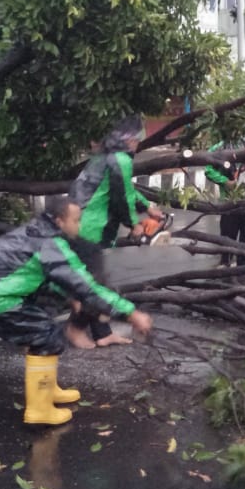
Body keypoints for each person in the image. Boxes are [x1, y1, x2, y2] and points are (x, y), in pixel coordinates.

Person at [0, 196, 153, 425]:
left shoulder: (35, 232)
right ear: (59, 221)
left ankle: (46, 389)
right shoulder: (49, 244)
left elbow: (37, 273)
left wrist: (69, 295)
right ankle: (39, 411)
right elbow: (86, 285)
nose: (79, 226)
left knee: (44, 331)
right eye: (76, 220)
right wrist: (131, 313)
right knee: (45, 337)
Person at [69, 114, 162, 345]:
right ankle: (73, 330)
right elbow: (121, 197)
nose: (139, 143)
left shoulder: (105, 157)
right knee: (93, 283)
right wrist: (134, 224)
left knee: (93, 280)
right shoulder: (120, 159)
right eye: (138, 138)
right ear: (130, 139)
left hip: (77, 223)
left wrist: (148, 207)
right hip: (87, 228)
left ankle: (102, 333)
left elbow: (126, 190)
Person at [204, 124, 245, 267]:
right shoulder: (220, 147)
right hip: (230, 199)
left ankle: (244, 265)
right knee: (228, 235)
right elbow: (208, 169)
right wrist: (226, 182)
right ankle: (225, 263)